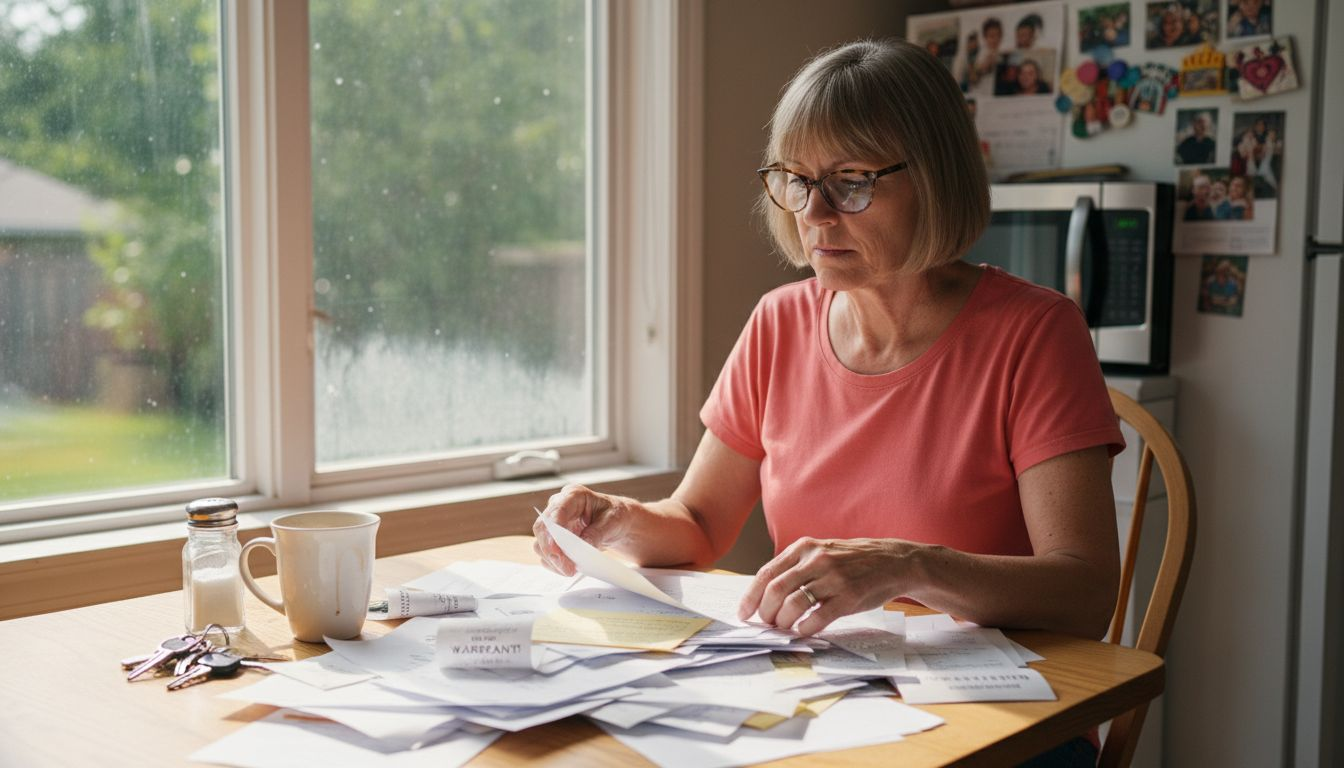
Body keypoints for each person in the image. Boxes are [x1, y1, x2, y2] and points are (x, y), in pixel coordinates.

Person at [535, 38, 1121, 653]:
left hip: (998, 708)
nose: (814, 211)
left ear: (935, 180)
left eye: (851, 182)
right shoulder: (778, 323)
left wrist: (909, 565)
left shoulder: (1036, 333)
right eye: (796, 180)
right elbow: (700, 525)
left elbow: (1086, 595)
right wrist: (614, 518)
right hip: (827, 690)